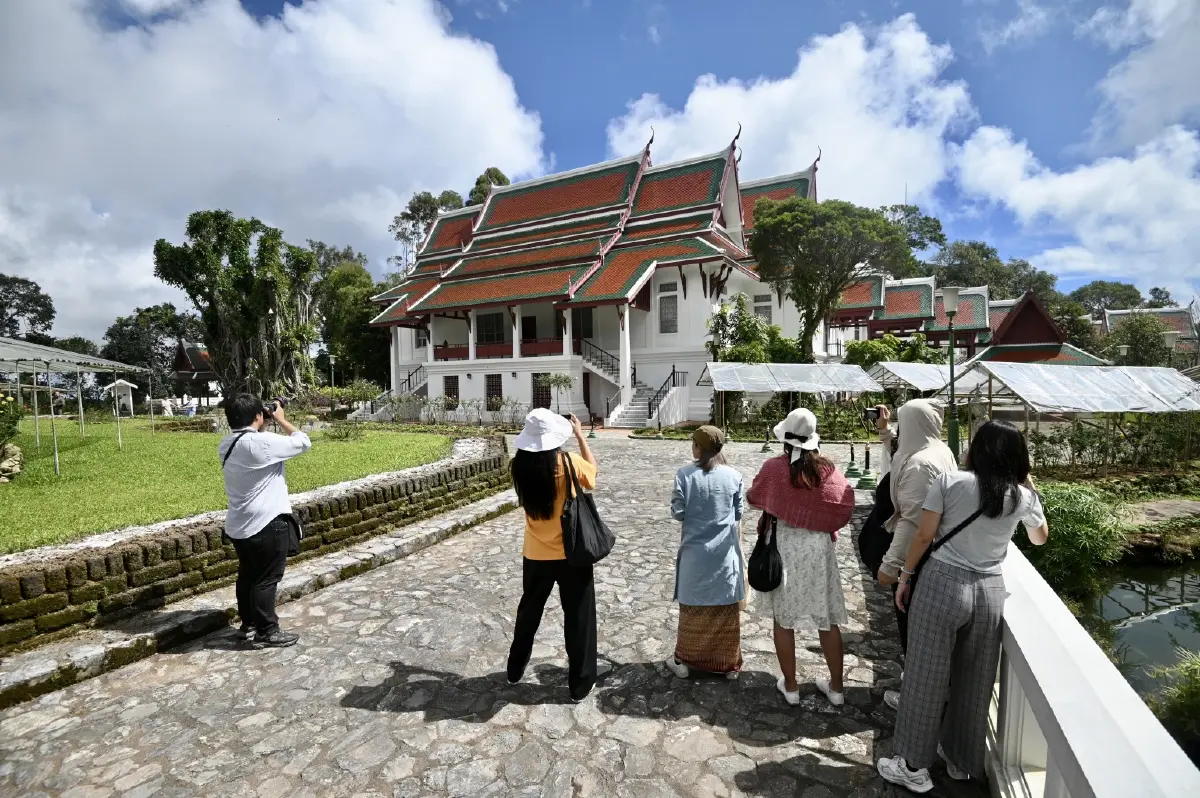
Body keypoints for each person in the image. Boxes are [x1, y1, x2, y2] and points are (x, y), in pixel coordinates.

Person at [877, 421, 1050, 793]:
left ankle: (913, 767)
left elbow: (924, 535)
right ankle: (960, 762)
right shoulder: (1022, 497)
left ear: (976, 449)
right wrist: (1027, 482)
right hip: (989, 591)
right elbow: (1040, 538)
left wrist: (906, 577)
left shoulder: (951, 482)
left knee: (926, 676)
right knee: (975, 679)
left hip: (943, 583)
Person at [748, 408, 856, 707]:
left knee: (783, 620)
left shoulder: (773, 467)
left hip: (784, 544)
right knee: (828, 620)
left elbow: (754, 496)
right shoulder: (829, 470)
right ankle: (836, 688)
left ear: (785, 439)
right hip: (818, 548)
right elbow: (844, 503)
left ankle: (792, 686)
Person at [506, 408, 611, 702]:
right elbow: (592, 474)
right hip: (571, 552)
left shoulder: (519, 467)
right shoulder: (568, 463)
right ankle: (580, 683)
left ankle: (515, 669)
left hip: (536, 553)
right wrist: (580, 435)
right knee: (579, 616)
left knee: (529, 612)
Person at [876, 400, 958, 710]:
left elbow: (913, 522)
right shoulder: (939, 450)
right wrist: (886, 433)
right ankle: (920, 684)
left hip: (919, 558)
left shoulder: (921, 464)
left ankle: (918, 697)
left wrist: (892, 567)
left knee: (913, 626)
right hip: (937, 551)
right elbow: (898, 450)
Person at [219, 394, 312, 648]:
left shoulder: (227, 444)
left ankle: (248, 625)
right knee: (267, 579)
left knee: (247, 576)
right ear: (258, 416)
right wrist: (281, 419)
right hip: (266, 523)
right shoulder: (262, 444)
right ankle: (267, 631)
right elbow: (303, 442)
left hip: (239, 525)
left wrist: (264, 422)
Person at [665, 426, 746, 681]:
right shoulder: (734, 475)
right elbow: (738, 513)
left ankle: (684, 660)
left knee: (692, 610)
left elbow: (678, 512)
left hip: (694, 555)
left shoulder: (685, 475)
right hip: (724, 554)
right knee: (725, 609)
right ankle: (728, 664)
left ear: (698, 447)